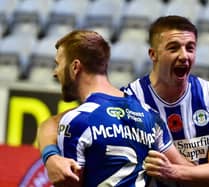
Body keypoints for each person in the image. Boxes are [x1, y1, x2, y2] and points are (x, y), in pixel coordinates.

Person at [38, 15, 209, 186]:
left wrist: (172, 171)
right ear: (153, 54)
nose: (184, 56)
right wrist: (51, 157)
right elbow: (52, 124)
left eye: (190, 48)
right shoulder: (131, 100)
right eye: (173, 48)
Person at [38, 29, 190, 187]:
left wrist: (50, 157)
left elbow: (50, 126)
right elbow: (187, 171)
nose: (55, 73)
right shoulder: (150, 115)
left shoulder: (77, 120)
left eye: (58, 64)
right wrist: (51, 157)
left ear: (75, 67)